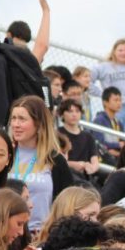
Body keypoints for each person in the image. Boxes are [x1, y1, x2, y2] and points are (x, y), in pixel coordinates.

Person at [9, 95, 75, 231]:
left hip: (40, 235)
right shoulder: (4, 154)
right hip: (6, 233)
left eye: (22, 119)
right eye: (13, 118)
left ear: (38, 123)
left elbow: (67, 205)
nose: (16, 124)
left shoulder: (55, 160)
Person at [56, 98, 102, 180]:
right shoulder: (57, 134)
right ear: (62, 114)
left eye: (77, 111)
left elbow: (95, 162)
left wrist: (90, 167)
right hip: (64, 176)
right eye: (70, 111)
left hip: (85, 178)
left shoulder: (88, 136)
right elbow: (55, 160)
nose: (74, 114)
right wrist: (75, 164)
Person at [90, 86, 125, 161]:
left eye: (120, 100)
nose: (119, 103)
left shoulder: (118, 122)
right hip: (104, 159)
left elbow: (124, 144)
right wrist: (118, 145)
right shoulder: (99, 120)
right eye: (116, 100)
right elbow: (98, 143)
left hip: (116, 157)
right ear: (105, 102)